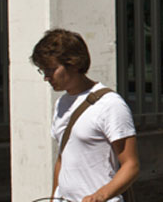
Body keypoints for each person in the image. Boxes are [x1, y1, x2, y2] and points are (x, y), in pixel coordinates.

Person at [31, 28, 139, 202]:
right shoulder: (61, 104)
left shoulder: (110, 104)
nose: (46, 77)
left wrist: (100, 196)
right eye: (43, 70)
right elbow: (62, 158)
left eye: (51, 69)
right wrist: (54, 198)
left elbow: (131, 165)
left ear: (73, 63)